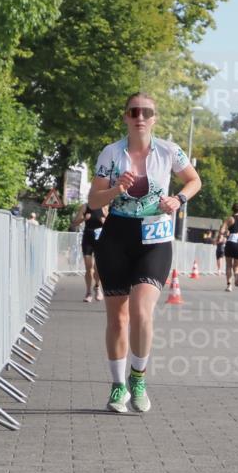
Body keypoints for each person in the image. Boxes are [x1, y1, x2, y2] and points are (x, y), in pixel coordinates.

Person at [88, 92, 201, 413]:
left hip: (154, 235)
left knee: (141, 310)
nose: (140, 116)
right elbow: (94, 201)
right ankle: (117, 385)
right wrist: (115, 189)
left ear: (155, 118)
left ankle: (138, 379)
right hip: (116, 236)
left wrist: (178, 199)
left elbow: (194, 180)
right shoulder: (111, 153)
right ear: (125, 116)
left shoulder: (169, 151)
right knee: (118, 319)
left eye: (146, 112)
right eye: (134, 111)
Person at [70, 203, 107, 302]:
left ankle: (97, 287)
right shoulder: (85, 207)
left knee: (97, 268)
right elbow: (74, 222)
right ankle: (88, 292)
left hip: (100, 239)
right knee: (88, 267)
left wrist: (104, 222)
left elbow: (112, 224)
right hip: (88, 239)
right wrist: (83, 219)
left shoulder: (103, 207)